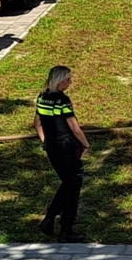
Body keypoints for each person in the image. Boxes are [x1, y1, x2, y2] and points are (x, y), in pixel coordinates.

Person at [34, 66, 90, 243]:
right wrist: (85, 144)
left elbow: (37, 124)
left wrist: (45, 141)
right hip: (67, 147)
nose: (70, 82)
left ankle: (50, 219)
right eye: (68, 79)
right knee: (73, 187)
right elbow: (74, 127)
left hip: (52, 147)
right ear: (59, 80)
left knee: (67, 183)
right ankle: (65, 229)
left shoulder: (42, 97)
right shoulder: (62, 100)